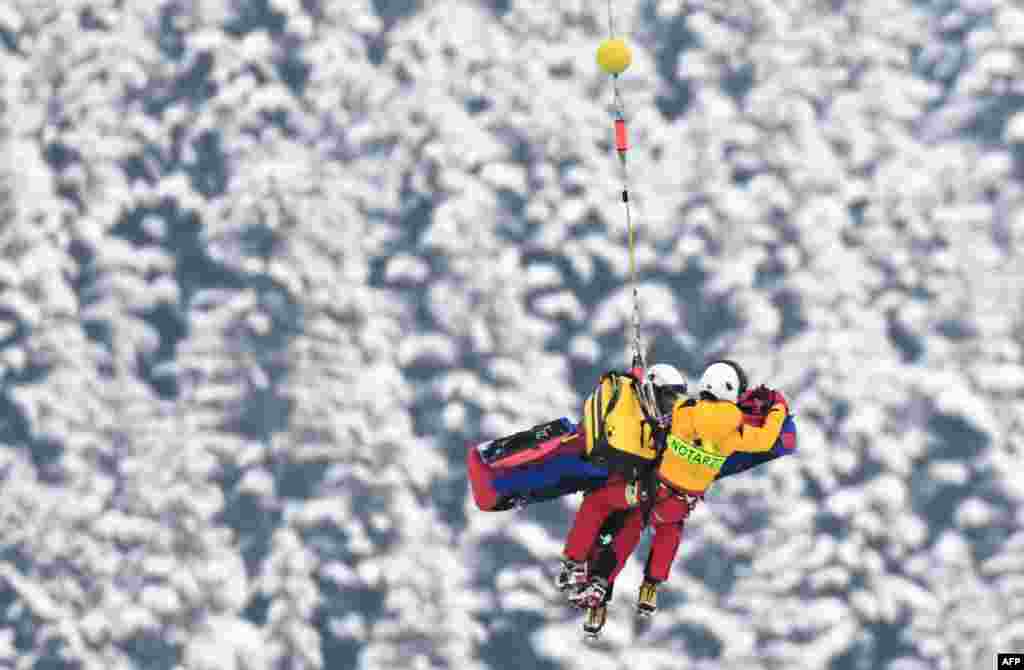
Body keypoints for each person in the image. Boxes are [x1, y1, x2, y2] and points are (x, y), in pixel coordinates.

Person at [556, 359, 791, 626]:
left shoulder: (683, 413)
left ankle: (577, 566)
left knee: (600, 505)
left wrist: (637, 379)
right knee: (663, 529)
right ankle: (649, 587)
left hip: (648, 493)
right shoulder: (736, 434)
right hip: (676, 507)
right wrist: (778, 407)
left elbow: (652, 407)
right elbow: (768, 438)